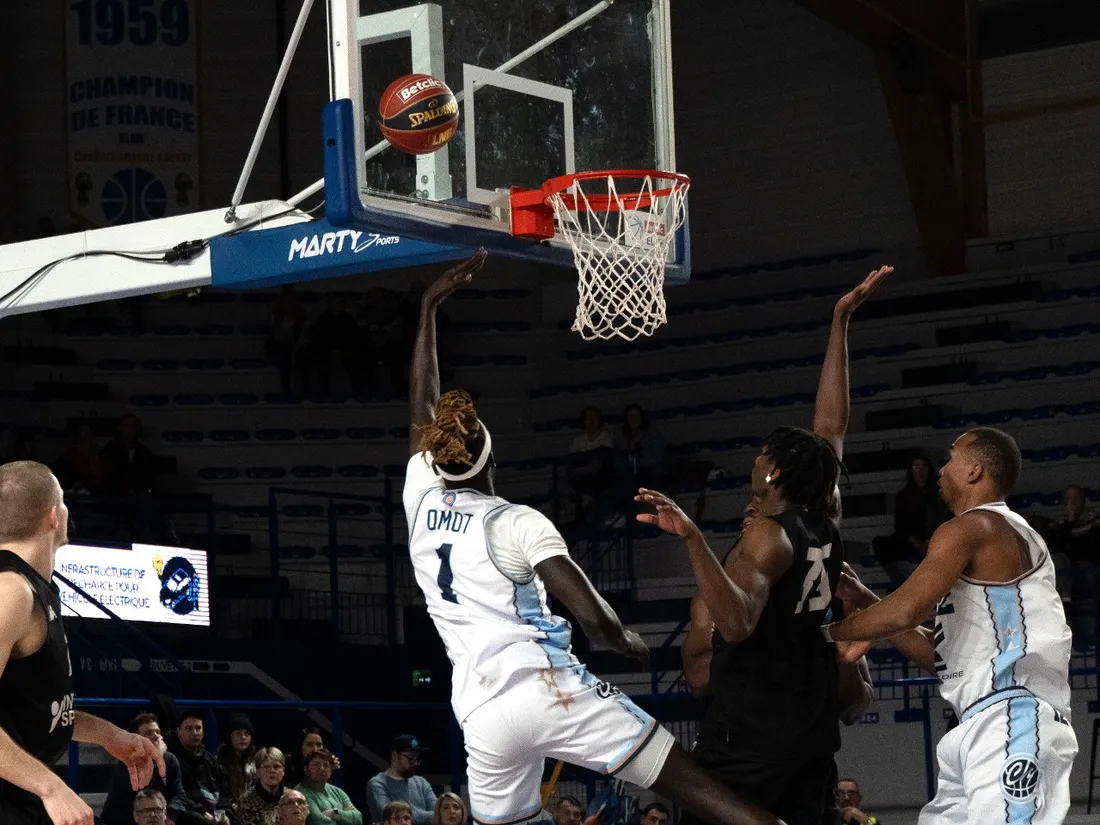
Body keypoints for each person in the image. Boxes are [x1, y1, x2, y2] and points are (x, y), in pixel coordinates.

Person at [404, 249, 781, 825]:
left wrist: (428, 308)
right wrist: (628, 641)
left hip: (478, 709)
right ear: (491, 458)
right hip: (547, 688)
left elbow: (421, 409)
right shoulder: (515, 520)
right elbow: (593, 618)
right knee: (700, 789)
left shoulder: (421, 497)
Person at [658, 266, 892, 825]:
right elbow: (831, 426)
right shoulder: (822, 515)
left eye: (765, 453)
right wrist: (839, 322)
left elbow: (734, 630)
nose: (756, 458)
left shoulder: (765, 534)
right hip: (810, 729)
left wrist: (692, 539)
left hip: (752, 737)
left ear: (776, 473)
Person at [824, 427, 1078, 825]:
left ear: (974, 470)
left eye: (951, 457)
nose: (942, 468)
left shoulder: (973, 526)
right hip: (980, 721)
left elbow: (905, 610)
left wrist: (822, 634)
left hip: (1011, 716)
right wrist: (863, 600)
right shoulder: (1003, 534)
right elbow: (940, 657)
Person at [0, 460, 165, 825]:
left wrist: (108, 734)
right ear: (53, 516)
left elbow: (33, 711)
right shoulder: (10, 590)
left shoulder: (35, 589)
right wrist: (51, 787)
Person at [101, 712, 200, 825]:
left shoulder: (170, 760)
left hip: (157, 814)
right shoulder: (126, 763)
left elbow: (178, 794)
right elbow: (146, 796)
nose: (155, 736)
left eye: (157, 732)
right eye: (148, 733)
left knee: (196, 819)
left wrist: (171, 816)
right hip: (129, 817)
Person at [872, 455, 950, 589]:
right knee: (880, 543)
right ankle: (900, 584)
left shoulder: (939, 493)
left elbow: (943, 519)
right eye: (916, 467)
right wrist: (914, 541)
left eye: (924, 466)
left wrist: (928, 541)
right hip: (912, 540)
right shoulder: (903, 495)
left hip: (935, 538)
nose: (920, 471)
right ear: (911, 471)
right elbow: (900, 525)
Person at [166, 710, 224, 821]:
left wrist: (223, 814)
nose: (195, 733)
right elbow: (177, 795)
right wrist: (203, 813)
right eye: (188, 728)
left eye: (198, 728)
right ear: (179, 732)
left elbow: (223, 792)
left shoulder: (211, 759)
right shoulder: (172, 760)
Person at [367, 735, 435, 825]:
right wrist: (433, 816)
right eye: (410, 758)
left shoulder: (422, 783)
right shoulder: (377, 784)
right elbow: (393, 816)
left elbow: (440, 811)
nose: (415, 763)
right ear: (395, 756)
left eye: (417, 758)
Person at [297, 749, 361, 825]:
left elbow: (358, 818)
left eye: (326, 765)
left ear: (331, 770)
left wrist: (333, 813)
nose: (322, 768)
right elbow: (319, 822)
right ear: (306, 770)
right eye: (316, 765)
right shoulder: (300, 793)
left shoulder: (337, 791)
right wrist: (345, 817)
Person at [233, 747, 287, 825]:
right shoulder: (246, 800)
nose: (272, 770)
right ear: (258, 772)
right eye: (266, 767)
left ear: (283, 771)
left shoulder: (292, 798)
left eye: (276, 766)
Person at [218, 714, 257, 804]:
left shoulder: (256, 759)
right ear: (230, 737)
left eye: (247, 733)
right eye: (238, 733)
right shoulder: (219, 762)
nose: (243, 737)